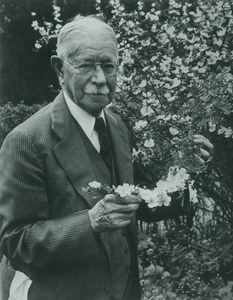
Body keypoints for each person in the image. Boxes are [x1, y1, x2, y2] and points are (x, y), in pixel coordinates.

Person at [0, 16, 213, 300]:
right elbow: (16, 242)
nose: (100, 79)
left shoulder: (117, 126)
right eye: (86, 65)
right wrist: (90, 222)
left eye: (109, 66)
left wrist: (184, 171)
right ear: (60, 69)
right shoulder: (26, 140)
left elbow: (142, 201)